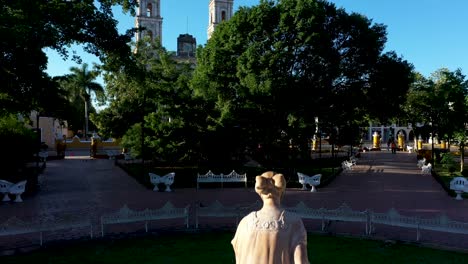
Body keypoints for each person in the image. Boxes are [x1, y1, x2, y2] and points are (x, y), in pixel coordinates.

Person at [231, 171, 309, 264]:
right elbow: (301, 261)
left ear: (260, 193)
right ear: (282, 191)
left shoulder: (244, 223)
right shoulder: (294, 222)